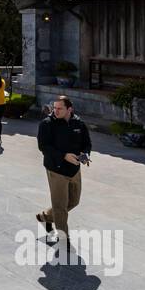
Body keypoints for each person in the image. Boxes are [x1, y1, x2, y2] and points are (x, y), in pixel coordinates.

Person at [35, 95, 92, 245]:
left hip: (74, 169)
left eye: (60, 108)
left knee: (74, 201)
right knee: (60, 207)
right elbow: (44, 147)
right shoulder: (47, 124)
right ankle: (63, 239)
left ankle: (45, 216)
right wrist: (64, 156)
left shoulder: (78, 123)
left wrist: (85, 154)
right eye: (54, 108)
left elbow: (87, 143)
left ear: (69, 109)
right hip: (56, 169)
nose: (56, 111)